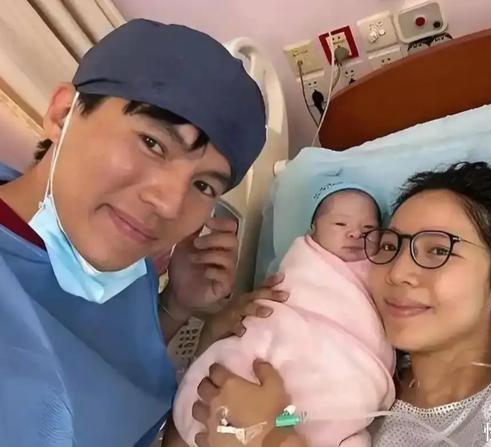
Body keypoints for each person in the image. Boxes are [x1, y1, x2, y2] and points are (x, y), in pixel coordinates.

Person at [189, 140, 491, 446]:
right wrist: (220, 354)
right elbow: (299, 416)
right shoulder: (366, 390)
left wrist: (272, 439)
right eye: (389, 246)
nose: (398, 272)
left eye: (438, 250)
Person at [0, 19, 284, 447]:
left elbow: (107, 368)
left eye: (203, 185)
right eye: (153, 144)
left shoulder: (113, 243)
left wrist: (175, 306)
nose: (169, 205)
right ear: (63, 114)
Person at [172, 188, 395, 447]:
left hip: (330, 388)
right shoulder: (307, 263)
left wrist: (268, 435)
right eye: (340, 224)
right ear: (314, 229)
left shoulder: (378, 273)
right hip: (277, 370)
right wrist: (208, 332)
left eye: (369, 230)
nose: (355, 234)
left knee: (327, 413)